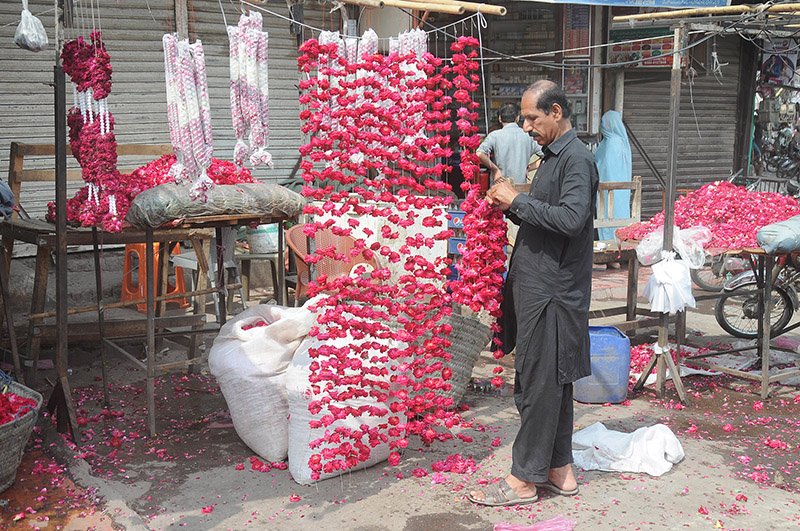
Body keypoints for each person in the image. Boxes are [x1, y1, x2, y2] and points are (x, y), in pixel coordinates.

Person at [467, 80, 598, 507]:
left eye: (532, 118)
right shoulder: (553, 158)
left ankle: (523, 481)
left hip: (554, 295)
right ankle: (559, 471)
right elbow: (551, 220)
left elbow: (573, 220)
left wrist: (517, 203)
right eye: (524, 118)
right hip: (541, 287)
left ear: (556, 112)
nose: (525, 127)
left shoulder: (576, 159)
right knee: (551, 384)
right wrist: (510, 203)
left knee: (539, 387)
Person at [477, 102, 544, 185]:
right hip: (521, 190)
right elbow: (546, 156)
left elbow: (479, 154)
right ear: (517, 118)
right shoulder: (528, 136)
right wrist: (529, 168)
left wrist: (496, 170)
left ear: (500, 118)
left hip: (500, 187)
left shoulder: (494, 136)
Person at [595, 110, 632, 243]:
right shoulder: (622, 142)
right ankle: (619, 250)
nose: (601, 126)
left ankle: (609, 247)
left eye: (603, 123)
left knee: (608, 217)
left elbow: (605, 167)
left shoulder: (611, 142)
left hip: (608, 190)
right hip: (621, 191)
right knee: (619, 216)